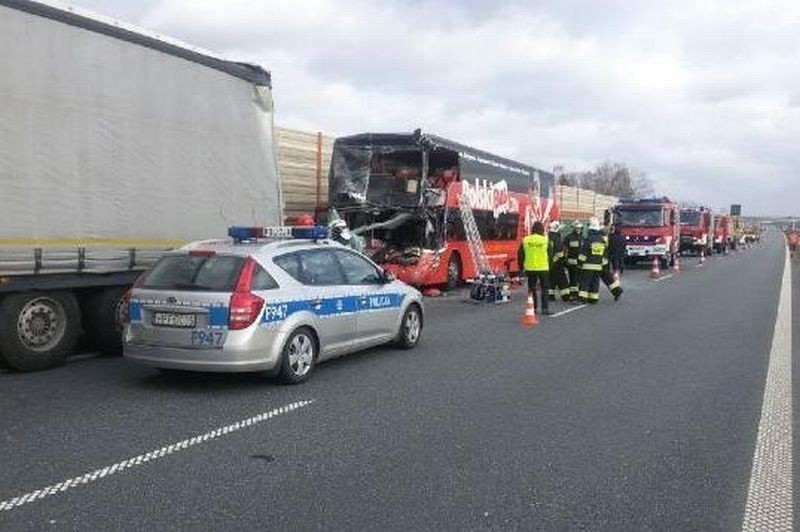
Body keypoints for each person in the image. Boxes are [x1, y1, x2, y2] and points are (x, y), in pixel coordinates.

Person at [518, 221, 551, 315]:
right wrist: (550, 266)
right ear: (542, 229)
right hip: (543, 268)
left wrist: (521, 267)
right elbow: (550, 255)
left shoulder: (526, 240)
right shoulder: (545, 240)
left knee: (532, 288)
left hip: (530, 268)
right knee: (544, 288)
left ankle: (533, 308)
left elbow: (520, 255)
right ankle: (545, 309)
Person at [577, 217, 607, 304]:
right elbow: (604, 254)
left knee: (585, 282)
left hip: (588, 265)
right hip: (598, 266)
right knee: (595, 282)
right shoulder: (602, 240)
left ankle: (582, 298)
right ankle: (593, 298)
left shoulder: (588, 239)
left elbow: (584, 253)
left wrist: (579, 262)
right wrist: (604, 265)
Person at [547, 221, 570, 302]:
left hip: (549, 263)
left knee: (551, 279)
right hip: (557, 263)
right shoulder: (556, 238)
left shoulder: (547, 237)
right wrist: (563, 260)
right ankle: (566, 296)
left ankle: (550, 296)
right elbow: (560, 252)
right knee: (562, 280)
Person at [563, 221, 584, 302]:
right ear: (574, 228)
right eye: (577, 228)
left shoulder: (583, 238)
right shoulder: (568, 238)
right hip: (571, 263)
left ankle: (577, 294)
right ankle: (573, 295)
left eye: (580, 228)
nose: (578, 230)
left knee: (579, 279)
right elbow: (565, 250)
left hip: (580, 262)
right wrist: (565, 260)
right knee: (573, 279)